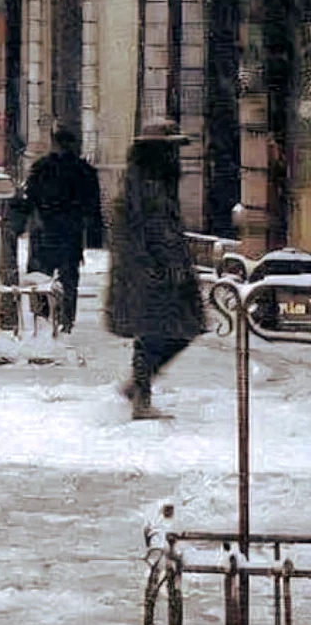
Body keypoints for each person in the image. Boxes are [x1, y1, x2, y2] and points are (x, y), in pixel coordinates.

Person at [105, 121, 204, 419]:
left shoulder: (157, 182)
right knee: (156, 333)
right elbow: (140, 232)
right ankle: (141, 394)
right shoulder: (143, 185)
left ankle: (139, 387)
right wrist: (154, 267)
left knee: (173, 330)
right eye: (171, 149)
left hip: (165, 272)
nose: (176, 155)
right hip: (151, 273)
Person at [23, 124, 105, 332]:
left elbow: (29, 199)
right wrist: (95, 236)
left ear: (55, 144)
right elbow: (93, 206)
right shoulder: (84, 171)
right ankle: (66, 321)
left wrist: (27, 222)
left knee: (41, 278)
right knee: (69, 280)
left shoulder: (41, 167)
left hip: (44, 232)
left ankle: (41, 319)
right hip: (70, 233)